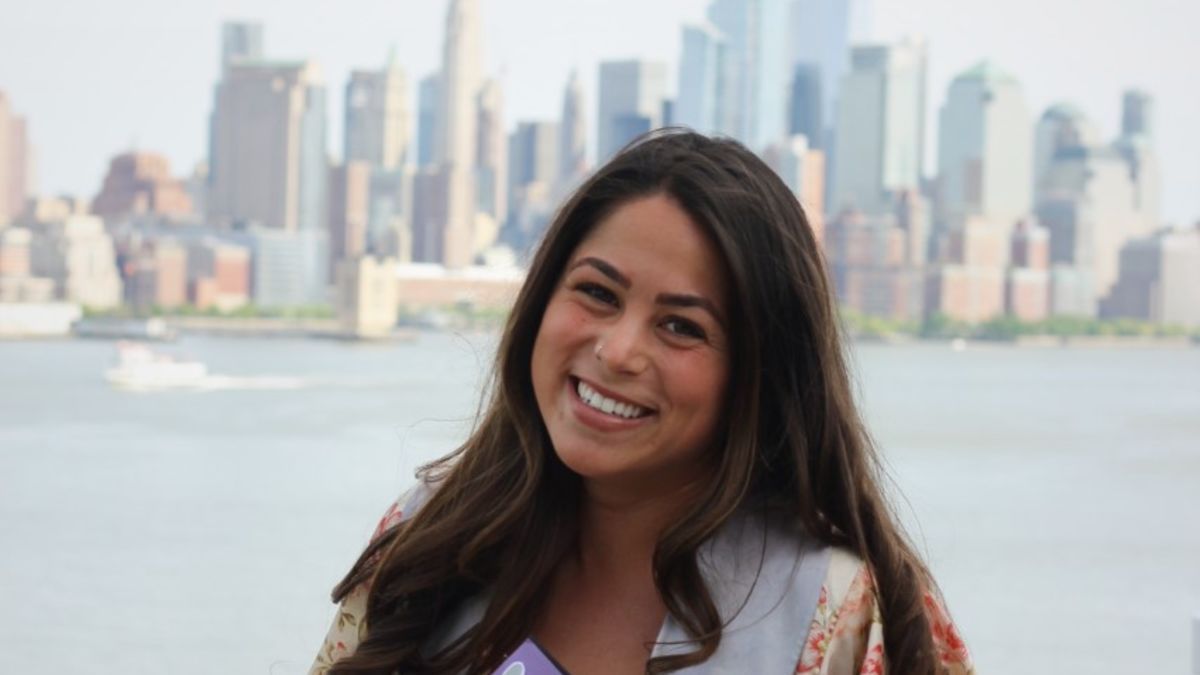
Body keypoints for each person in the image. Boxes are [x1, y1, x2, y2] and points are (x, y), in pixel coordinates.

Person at [310, 130, 973, 675]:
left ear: (759, 373)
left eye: (681, 325)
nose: (619, 350)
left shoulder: (831, 608)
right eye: (597, 292)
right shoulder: (429, 539)